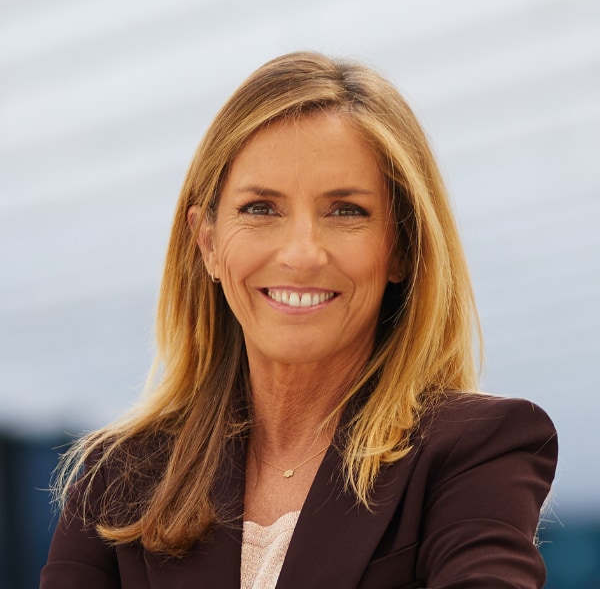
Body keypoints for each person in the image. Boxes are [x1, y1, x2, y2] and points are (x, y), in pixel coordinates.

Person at [41, 51, 558, 589]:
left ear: (402, 248)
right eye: (261, 208)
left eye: (346, 211)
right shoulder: (120, 477)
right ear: (209, 243)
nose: (303, 253)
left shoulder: (477, 450)